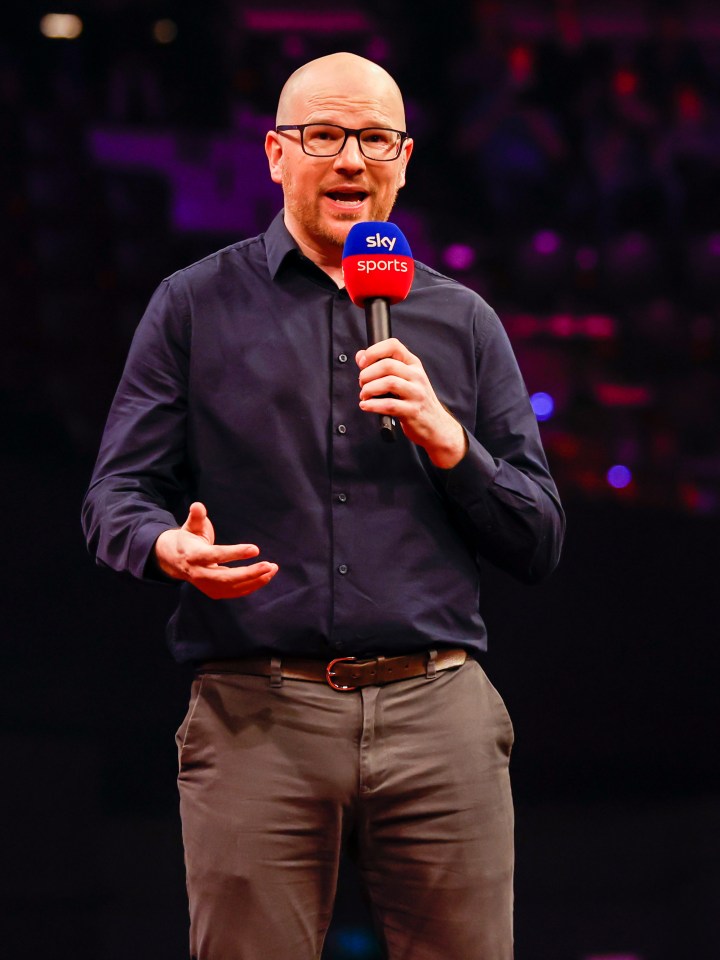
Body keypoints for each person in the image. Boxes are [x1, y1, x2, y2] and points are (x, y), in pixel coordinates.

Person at [83, 52, 564, 960]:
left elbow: (537, 535)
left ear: (406, 158)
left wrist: (450, 441)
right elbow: (115, 493)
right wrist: (162, 547)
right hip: (257, 711)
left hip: (439, 710)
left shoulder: (462, 321)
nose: (352, 157)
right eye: (324, 136)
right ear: (275, 153)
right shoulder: (193, 306)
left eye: (375, 138)